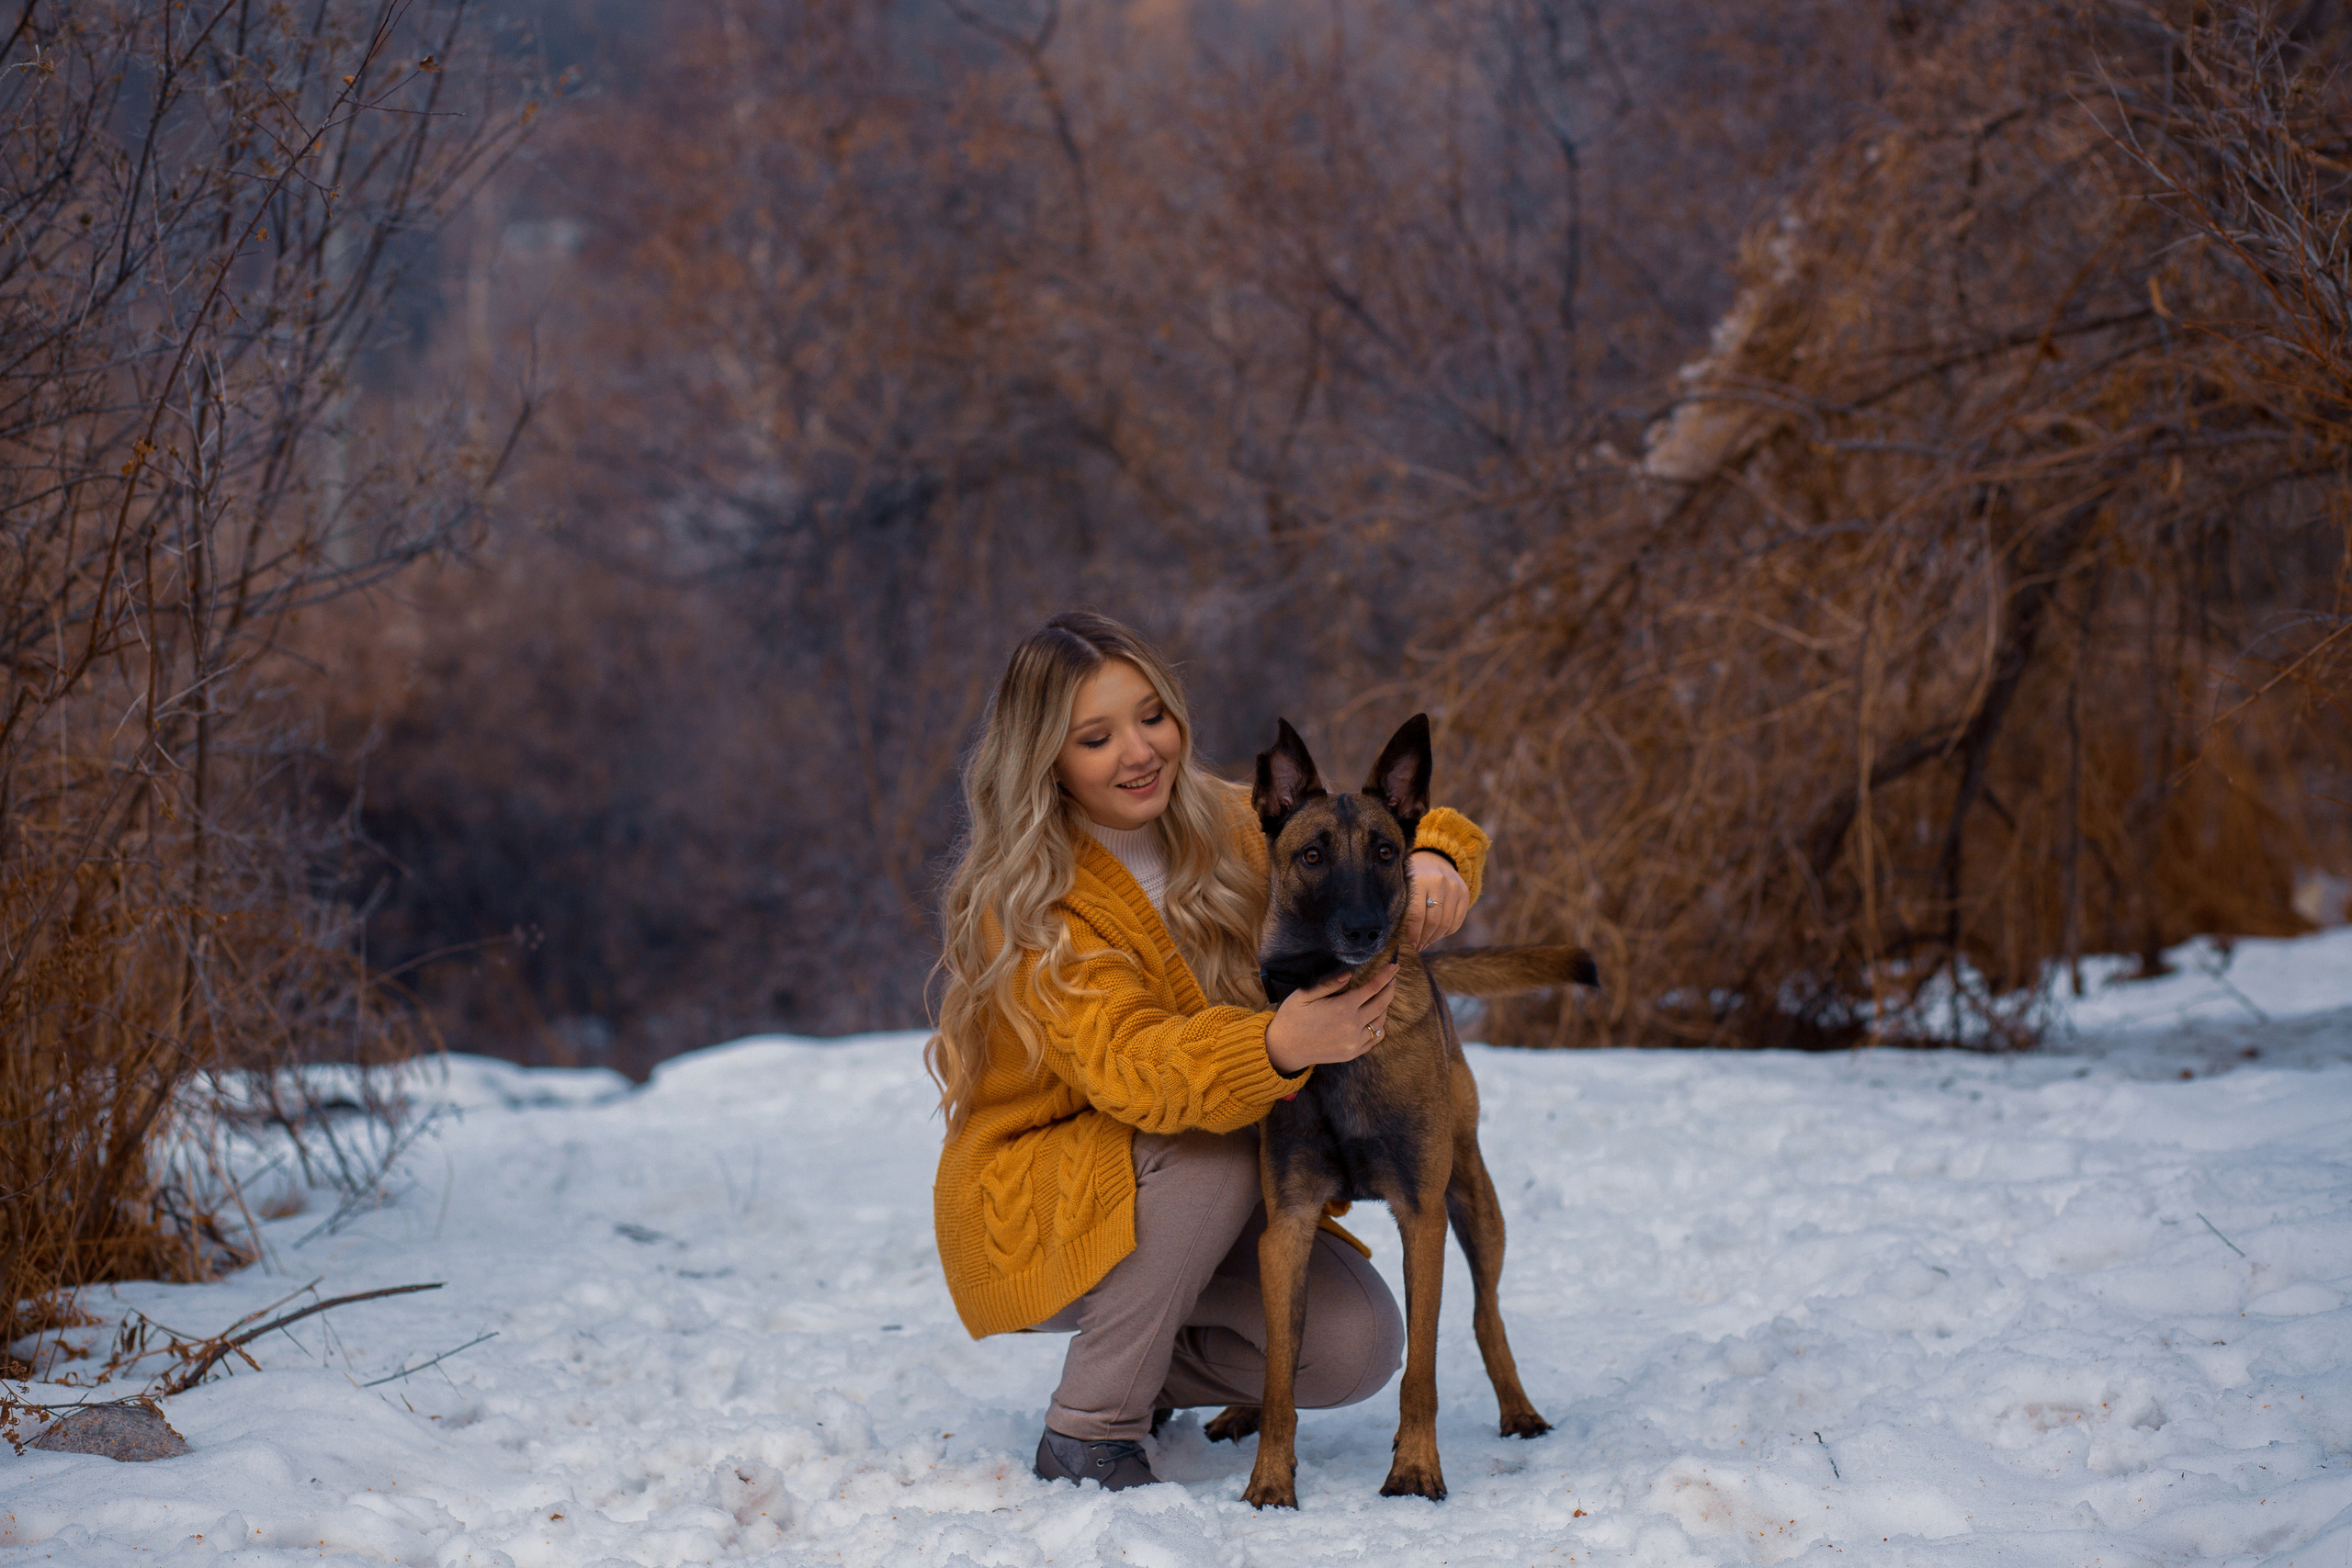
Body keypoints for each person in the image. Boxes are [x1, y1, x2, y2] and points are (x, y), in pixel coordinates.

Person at [928, 611, 1492, 1490]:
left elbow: (1370, 822)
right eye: (1096, 735)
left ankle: (1132, 1358)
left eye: (1151, 714)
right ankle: (1092, 1423)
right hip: (1052, 1194)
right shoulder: (1036, 904)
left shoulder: (1228, 822)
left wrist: (1440, 859)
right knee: (1226, 1145)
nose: (1140, 750)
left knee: (1354, 1346)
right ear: (1047, 758)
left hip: (1184, 1205)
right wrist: (1276, 1042)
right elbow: (1138, 1066)